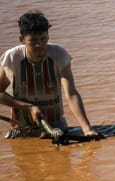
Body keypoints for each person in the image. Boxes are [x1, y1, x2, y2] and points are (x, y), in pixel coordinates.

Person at [0, 10, 101, 139]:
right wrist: (29, 108)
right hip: (22, 131)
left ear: (48, 36)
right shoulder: (12, 57)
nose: (40, 45)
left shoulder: (59, 55)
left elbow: (71, 94)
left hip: (57, 129)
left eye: (43, 39)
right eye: (33, 41)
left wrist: (87, 129)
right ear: (22, 40)